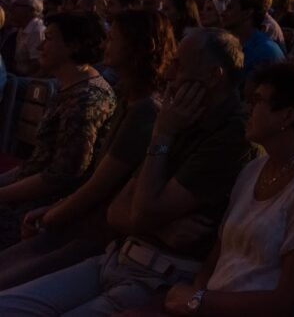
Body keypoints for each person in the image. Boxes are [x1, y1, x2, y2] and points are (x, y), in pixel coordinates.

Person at [0, 28, 254, 316]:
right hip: (116, 258)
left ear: (213, 75)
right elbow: (118, 211)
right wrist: (157, 225)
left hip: (155, 277)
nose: (171, 74)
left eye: (180, 65)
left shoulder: (229, 137)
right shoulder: (181, 118)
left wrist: (162, 135)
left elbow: (138, 212)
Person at [0, 10, 174, 289]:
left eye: (114, 39)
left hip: (86, 227)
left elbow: (79, 179)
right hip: (65, 209)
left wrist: (52, 214)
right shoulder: (124, 97)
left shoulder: (122, 106)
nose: (106, 45)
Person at [163, 62, 294, 316]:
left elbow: (288, 300)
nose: (246, 108)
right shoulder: (254, 170)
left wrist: (199, 301)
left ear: (287, 116)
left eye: (257, 101)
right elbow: (217, 258)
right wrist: (196, 297)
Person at [0, 12, 116, 250]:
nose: (40, 46)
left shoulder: (86, 99)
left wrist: (2, 194)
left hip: (42, 209)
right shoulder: (70, 88)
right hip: (28, 194)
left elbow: (61, 176)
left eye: (50, 38)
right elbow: (39, 163)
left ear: (73, 45)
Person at [222, 0, 285, 85]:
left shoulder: (265, 52)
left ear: (247, 13)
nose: (223, 13)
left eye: (230, 8)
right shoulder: (228, 43)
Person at [12, 0, 46, 76]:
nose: (12, 8)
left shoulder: (36, 31)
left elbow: (37, 64)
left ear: (30, 10)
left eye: (16, 5)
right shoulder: (23, 27)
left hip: (28, 78)